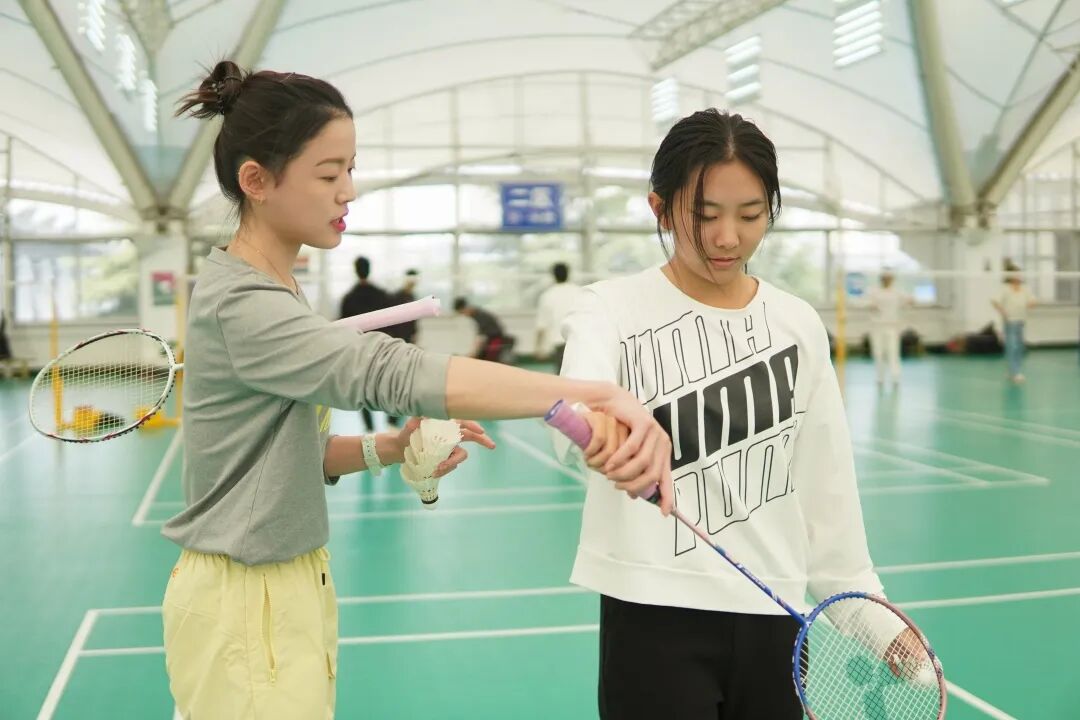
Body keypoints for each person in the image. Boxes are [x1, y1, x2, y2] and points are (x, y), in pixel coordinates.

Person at [162, 61, 674, 720]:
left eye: (350, 169)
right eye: (328, 174)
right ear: (256, 180)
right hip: (245, 603)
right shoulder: (245, 305)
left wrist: (391, 448)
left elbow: (288, 457)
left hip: (285, 586)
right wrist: (592, 392)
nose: (349, 191)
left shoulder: (276, 290)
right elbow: (396, 373)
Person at [554, 109, 899, 719]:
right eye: (705, 215)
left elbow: (826, 488)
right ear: (660, 209)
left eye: (750, 215)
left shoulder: (796, 323)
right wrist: (598, 429)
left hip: (775, 612)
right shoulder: (608, 309)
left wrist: (875, 621)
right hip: (653, 614)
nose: (727, 238)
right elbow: (579, 401)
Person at [339, 255, 389, 430]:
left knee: (362, 389)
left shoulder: (349, 298)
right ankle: (391, 425)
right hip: (382, 347)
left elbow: (344, 328)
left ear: (355, 270)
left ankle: (369, 429)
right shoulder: (382, 295)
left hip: (359, 351)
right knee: (388, 384)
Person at [866, 269, 912, 388]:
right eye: (884, 278)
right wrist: (872, 306)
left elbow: (910, 300)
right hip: (877, 327)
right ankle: (880, 377)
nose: (887, 280)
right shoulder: (874, 292)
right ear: (881, 279)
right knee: (878, 353)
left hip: (892, 327)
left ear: (892, 279)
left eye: (889, 278)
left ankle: (895, 378)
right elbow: (867, 304)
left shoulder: (897, 292)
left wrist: (906, 303)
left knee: (893, 352)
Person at [992, 262, 1036, 383]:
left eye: (1019, 274)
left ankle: (1013, 370)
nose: (1018, 276)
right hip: (1010, 322)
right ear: (1009, 276)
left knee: (1019, 347)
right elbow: (995, 301)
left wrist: (1031, 304)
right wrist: (1003, 312)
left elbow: (1032, 300)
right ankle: (1015, 372)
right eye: (1015, 274)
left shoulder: (1025, 288)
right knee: (1012, 346)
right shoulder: (1005, 288)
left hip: (1021, 321)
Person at [534, 262, 582, 370]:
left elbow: (541, 325)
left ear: (553, 275)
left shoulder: (547, 295)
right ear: (568, 273)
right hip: (579, 340)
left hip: (559, 342)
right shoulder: (579, 291)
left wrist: (538, 347)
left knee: (562, 374)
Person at [453, 296, 512, 362]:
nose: (464, 315)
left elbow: (481, 337)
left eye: (462, 312)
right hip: (490, 340)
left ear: (466, 308)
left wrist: (473, 353)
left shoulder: (481, 316)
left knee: (485, 361)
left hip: (495, 341)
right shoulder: (477, 314)